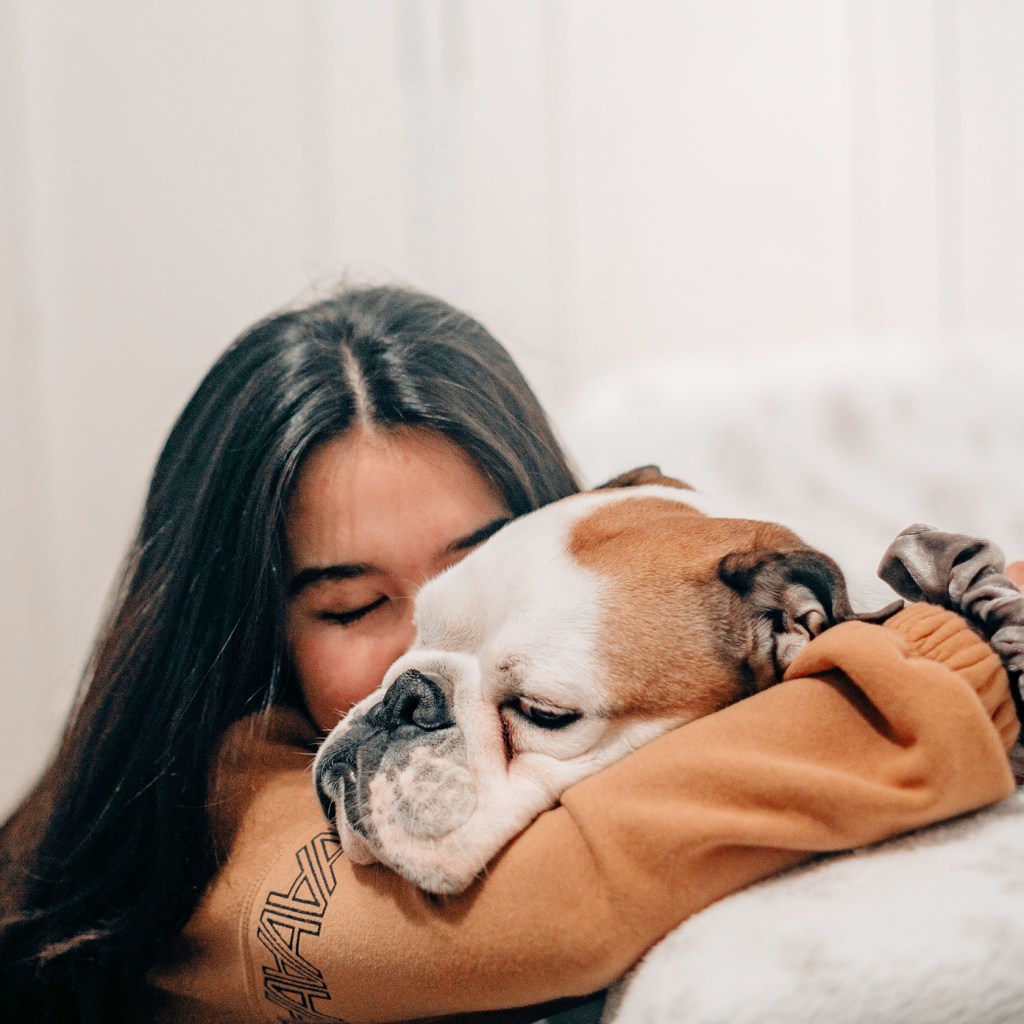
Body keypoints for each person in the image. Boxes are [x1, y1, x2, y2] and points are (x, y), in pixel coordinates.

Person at [0, 284, 1017, 1023]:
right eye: (353, 606)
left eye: (484, 578)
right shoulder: (203, 825)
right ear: (249, 624)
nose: (424, 660)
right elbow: (562, 901)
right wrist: (962, 659)